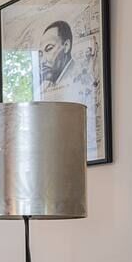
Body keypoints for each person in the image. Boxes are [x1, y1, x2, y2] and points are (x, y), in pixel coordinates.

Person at [36, 19, 100, 161]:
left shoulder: (84, 80)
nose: (43, 60)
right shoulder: (43, 89)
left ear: (66, 46)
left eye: (49, 49)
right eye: (40, 54)